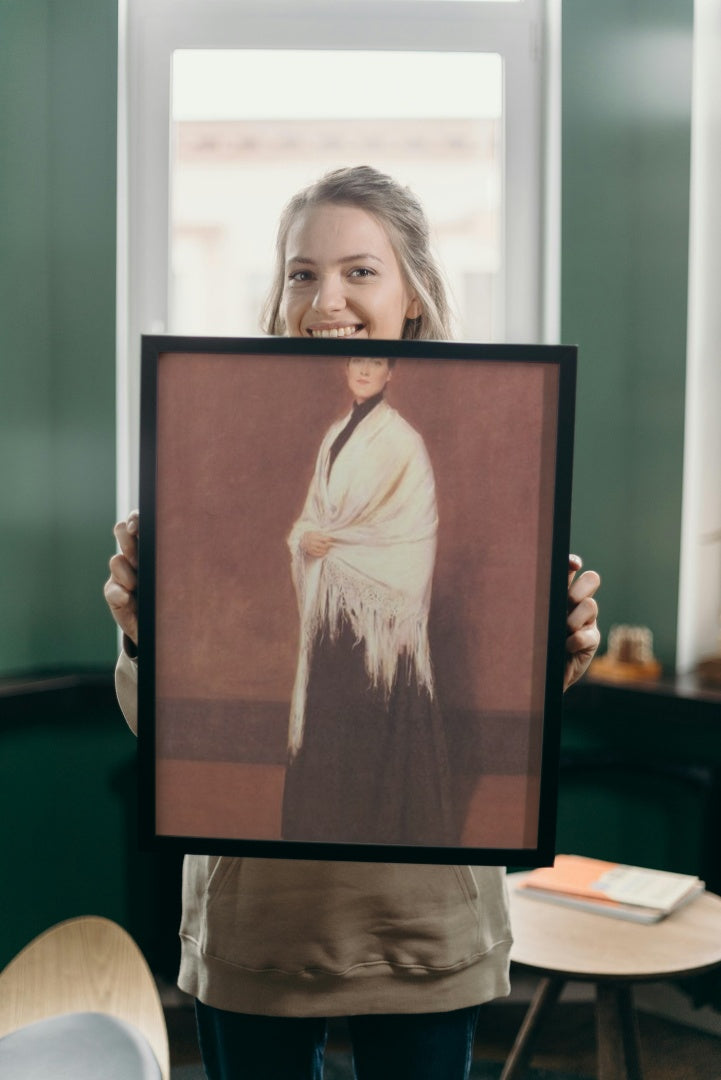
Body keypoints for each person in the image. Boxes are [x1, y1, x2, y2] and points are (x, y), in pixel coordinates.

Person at [105, 166, 601, 1080]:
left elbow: (421, 580)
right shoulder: (214, 429)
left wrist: (551, 651)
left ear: (412, 293)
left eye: (359, 271)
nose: (325, 299)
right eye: (301, 272)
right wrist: (146, 635)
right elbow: (158, 725)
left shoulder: (477, 431)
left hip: (420, 914)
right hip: (259, 916)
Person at [281, 351, 454, 847]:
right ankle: (319, 835)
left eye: (375, 363)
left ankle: (371, 834)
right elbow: (315, 514)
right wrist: (306, 540)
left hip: (375, 617)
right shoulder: (335, 434)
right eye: (356, 361)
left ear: (390, 373)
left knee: (367, 723)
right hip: (330, 610)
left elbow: (412, 533)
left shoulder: (404, 443)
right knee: (327, 723)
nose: (363, 370)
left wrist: (346, 553)